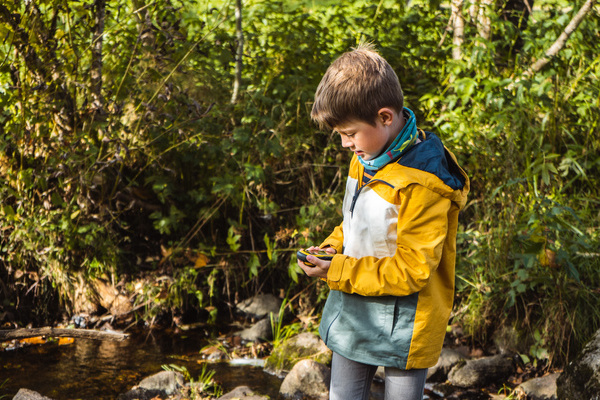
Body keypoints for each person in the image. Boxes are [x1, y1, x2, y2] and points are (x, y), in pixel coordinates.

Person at [297, 42, 470, 400]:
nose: (345, 144)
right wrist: (332, 248)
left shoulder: (425, 183)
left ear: (385, 117)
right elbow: (355, 219)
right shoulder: (367, 155)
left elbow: (413, 270)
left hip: (406, 324)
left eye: (349, 134)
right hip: (354, 310)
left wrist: (336, 270)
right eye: (341, 136)